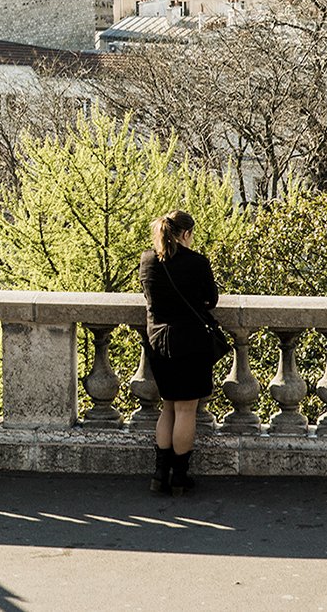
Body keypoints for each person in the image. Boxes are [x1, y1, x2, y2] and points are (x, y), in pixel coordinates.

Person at [138, 209, 221, 495]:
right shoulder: (197, 262)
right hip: (190, 343)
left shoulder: (147, 261)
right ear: (186, 234)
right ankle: (179, 476)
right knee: (187, 409)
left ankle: (159, 474)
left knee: (169, 406)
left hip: (158, 342)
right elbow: (211, 299)